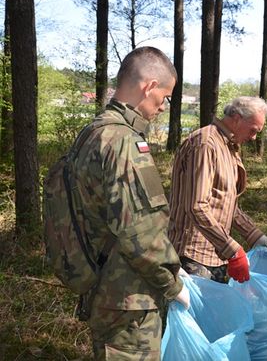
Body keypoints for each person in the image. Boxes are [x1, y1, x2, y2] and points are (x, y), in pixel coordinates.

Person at [71, 47, 190, 360]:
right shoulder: (124, 142)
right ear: (148, 86)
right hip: (130, 298)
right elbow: (139, 231)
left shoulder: (93, 132)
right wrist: (173, 284)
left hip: (103, 285)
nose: (163, 106)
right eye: (163, 97)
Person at [168, 96, 267, 284]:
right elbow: (197, 206)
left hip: (216, 253)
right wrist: (233, 250)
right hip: (193, 256)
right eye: (253, 130)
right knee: (197, 313)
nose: (254, 137)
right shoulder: (205, 144)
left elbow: (224, 202)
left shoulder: (228, 147)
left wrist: (254, 234)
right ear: (236, 118)